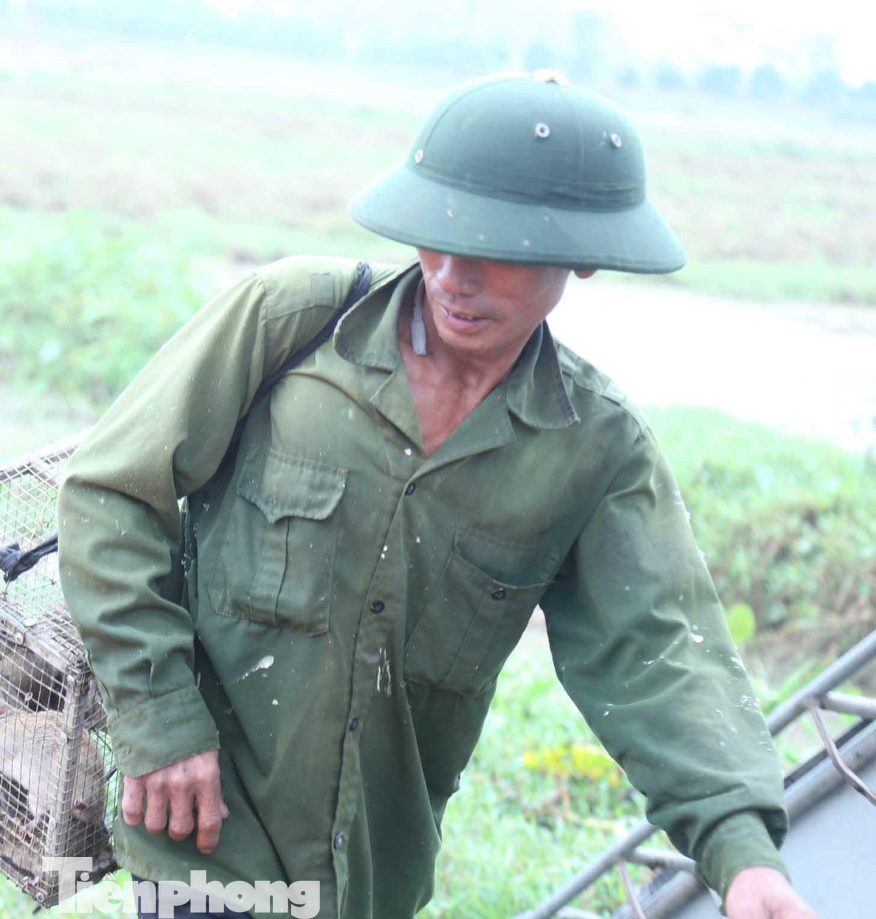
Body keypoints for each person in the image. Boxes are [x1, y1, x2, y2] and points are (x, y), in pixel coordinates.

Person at [56, 72, 816, 919]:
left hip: (371, 877)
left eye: (497, 248)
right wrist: (159, 713)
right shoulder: (293, 325)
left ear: (584, 255)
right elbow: (111, 493)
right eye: (437, 236)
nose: (454, 275)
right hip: (208, 833)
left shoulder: (594, 449)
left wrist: (743, 856)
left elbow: (661, 656)